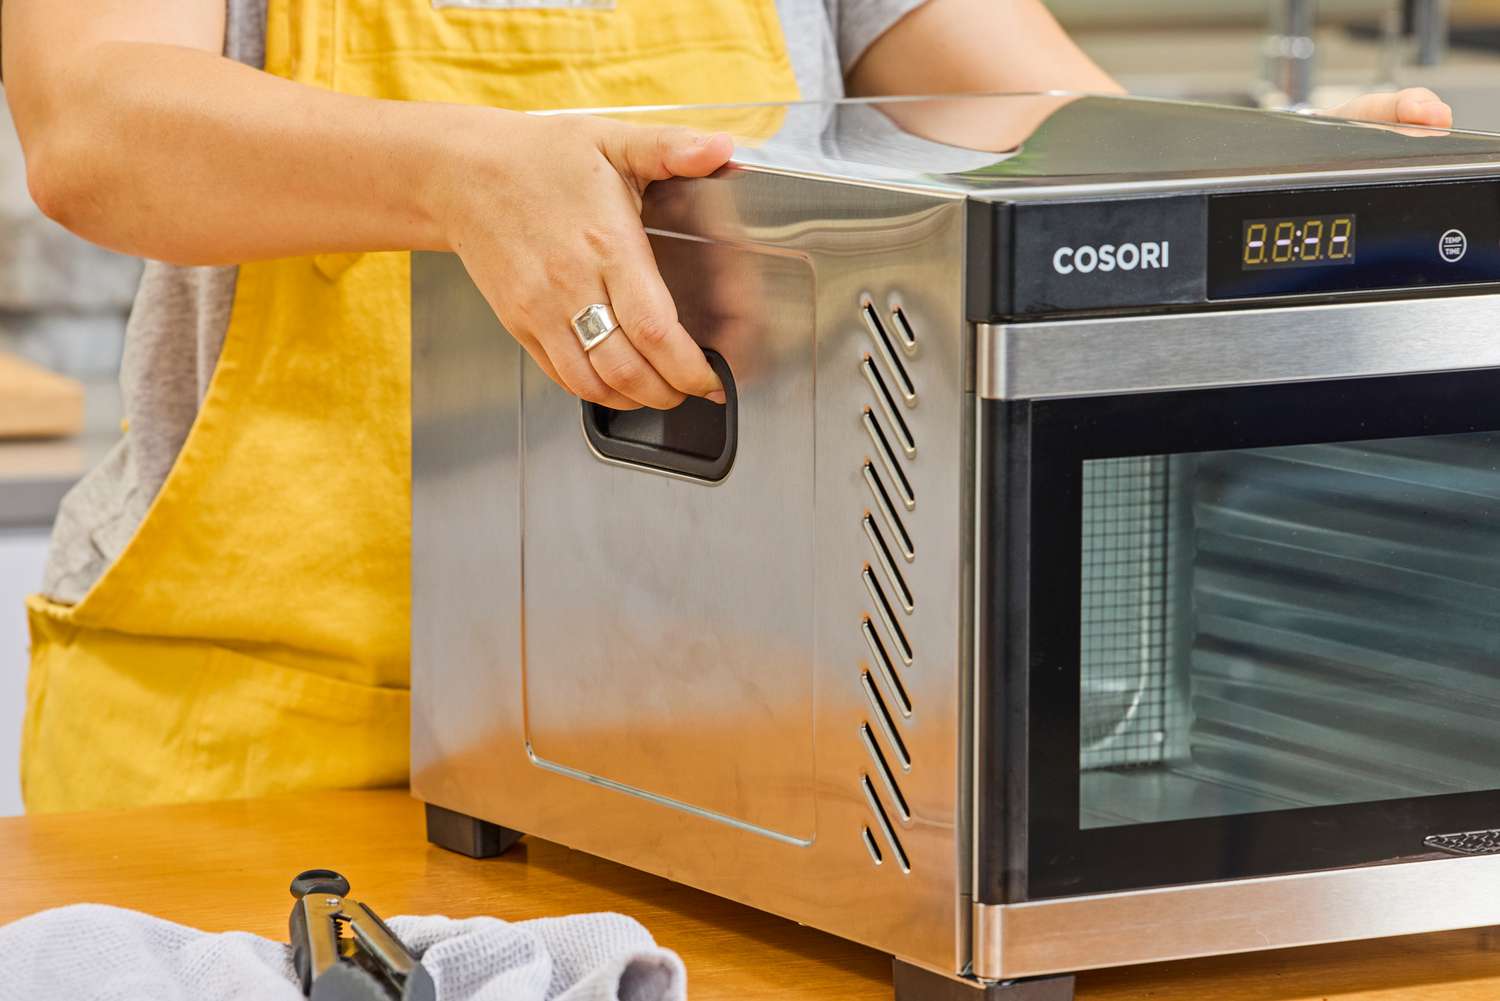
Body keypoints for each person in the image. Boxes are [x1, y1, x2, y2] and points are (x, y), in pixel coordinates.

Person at [1, 0, 1452, 813]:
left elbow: (1035, 125)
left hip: (739, 774)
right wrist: (459, 174)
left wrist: (1250, 171)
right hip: (259, 757)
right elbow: (96, 121)